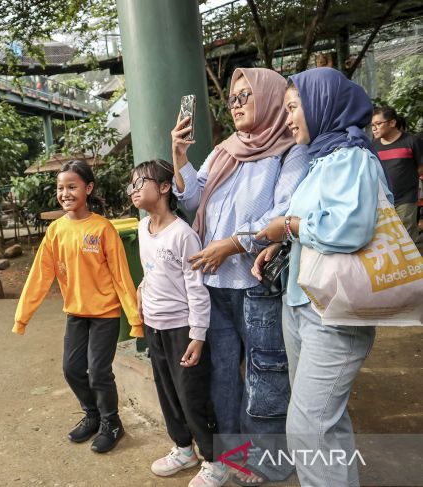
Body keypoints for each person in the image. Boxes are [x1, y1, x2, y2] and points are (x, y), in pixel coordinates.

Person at [170, 67, 309, 486]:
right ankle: (231, 457)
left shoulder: (289, 151)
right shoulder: (223, 150)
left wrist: (232, 243)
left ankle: (268, 460)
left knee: (266, 374)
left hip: (256, 284)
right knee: (224, 374)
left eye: (246, 96)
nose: (238, 105)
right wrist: (180, 158)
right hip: (214, 284)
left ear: (268, 97)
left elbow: (282, 214)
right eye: (233, 99)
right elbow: (193, 197)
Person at [254, 67, 390, 486]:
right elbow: (313, 222)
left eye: (294, 107)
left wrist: (287, 227)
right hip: (302, 304)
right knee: (324, 420)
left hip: (335, 313)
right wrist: (281, 243)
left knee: (309, 427)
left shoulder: (352, 157)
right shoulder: (322, 158)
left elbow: (349, 228)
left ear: (321, 105)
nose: (289, 117)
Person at [12, 160, 143, 454]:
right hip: (75, 314)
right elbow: (39, 275)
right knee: (72, 370)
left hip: (105, 314)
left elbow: (122, 277)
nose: (65, 193)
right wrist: (23, 317)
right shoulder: (56, 231)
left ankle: (112, 423)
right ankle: (93, 415)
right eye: (60, 188)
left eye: (72, 186)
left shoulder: (103, 229)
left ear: (88, 188)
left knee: (98, 371)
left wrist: (134, 318)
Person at [128, 159, 223, 487]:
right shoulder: (142, 228)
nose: (134, 189)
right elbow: (151, 269)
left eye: (141, 183)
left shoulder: (183, 235)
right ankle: (184, 449)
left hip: (181, 329)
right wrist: (142, 290)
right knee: (167, 390)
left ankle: (214, 460)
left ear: (165, 188)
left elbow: (196, 290)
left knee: (191, 394)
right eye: (132, 184)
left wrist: (197, 336)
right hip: (154, 325)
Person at [371, 106, 423, 252]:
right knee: (387, 238)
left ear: (392, 123)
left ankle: (413, 270)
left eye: (378, 124)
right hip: (382, 200)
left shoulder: (411, 141)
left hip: (406, 199)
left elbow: (420, 167)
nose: (374, 128)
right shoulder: (374, 145)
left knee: (407, 238)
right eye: (372, 125)